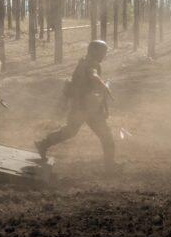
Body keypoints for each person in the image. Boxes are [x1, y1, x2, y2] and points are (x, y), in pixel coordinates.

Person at [35, 40, 118, 170]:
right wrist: (104, 86)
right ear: (94, 51)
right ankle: (110, 166)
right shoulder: (91, 64)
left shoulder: (83, 62)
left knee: (70, 131)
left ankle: (43, 144)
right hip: (88, 109)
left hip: (80, 106)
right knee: (106, 136)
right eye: (103, 52)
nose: (104, 55)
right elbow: (93, 75)